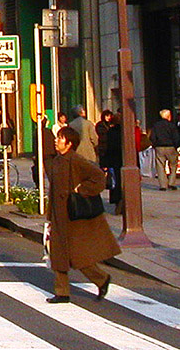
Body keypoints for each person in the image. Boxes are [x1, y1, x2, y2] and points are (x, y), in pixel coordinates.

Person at [45, 126, 119, 303]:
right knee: (58, 255)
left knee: (77, 256)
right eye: (57, 138)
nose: (56, 141)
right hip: (58, 215)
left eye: (60, 138)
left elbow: (99, 177)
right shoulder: (57, 160)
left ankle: (101, 279)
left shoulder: (76, 160)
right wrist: (49, 216)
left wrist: (82, 189)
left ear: (69, 143)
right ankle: (62, 292)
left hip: (73, 215)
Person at [149, 109, 180, 190]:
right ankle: (171, 182)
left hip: (159, 147)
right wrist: (176, 146)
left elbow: (152, 137)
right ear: (168, 116)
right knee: (173, 165)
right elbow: (176, 137)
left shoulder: (156, 125)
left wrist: (155, 144)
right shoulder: (172, 125)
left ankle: (163, 185)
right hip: (170, 147)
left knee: (160, 166)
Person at [98, 111, 122, 206]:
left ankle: (117, 200)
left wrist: (105, 163)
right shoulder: (125, 131)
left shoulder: (111, 132)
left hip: (113, 159)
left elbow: (109, 147)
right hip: (122, 159)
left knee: (115, 180)